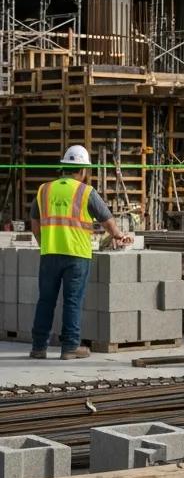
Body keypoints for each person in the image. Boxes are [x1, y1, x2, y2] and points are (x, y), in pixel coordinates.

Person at [29, 145, 133, 359]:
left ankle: (39, 347)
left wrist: (45, 243)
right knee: (72, 301)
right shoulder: (86, 192)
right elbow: (107, 219)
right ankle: (70, 347)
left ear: (64, 167)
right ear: (83, 169)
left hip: (49, 254)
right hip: (77, 256)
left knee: (45, 300)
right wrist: (118, 235)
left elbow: (35, 224)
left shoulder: (44, 190)